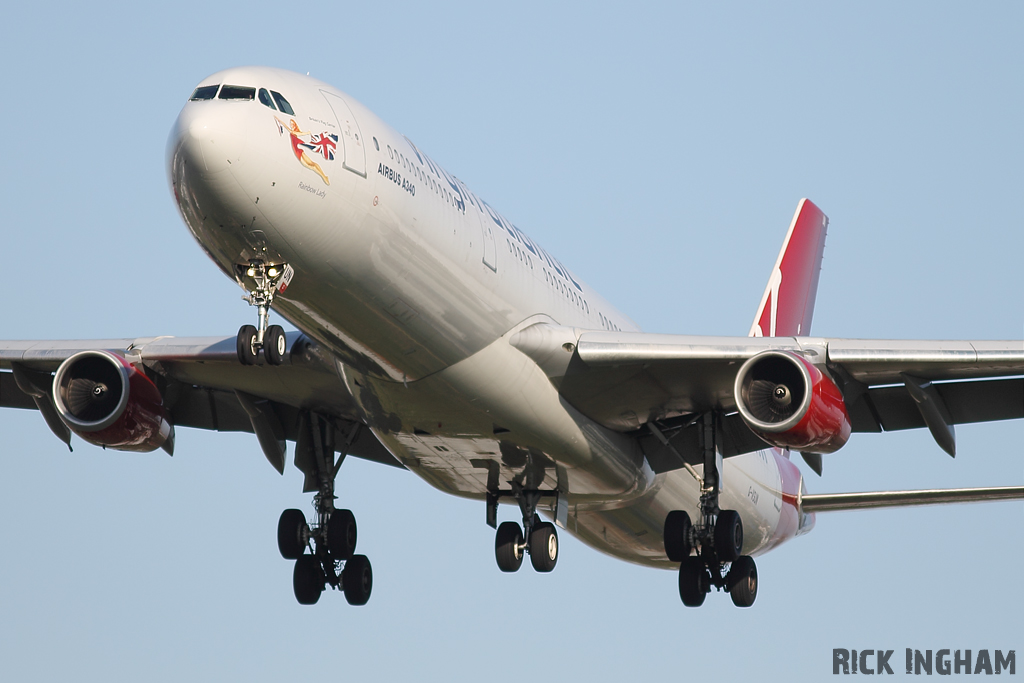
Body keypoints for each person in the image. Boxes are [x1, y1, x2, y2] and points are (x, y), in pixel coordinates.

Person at [276, 117, 330, 185]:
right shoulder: (292, 131)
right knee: (310, 165)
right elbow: (285, 126)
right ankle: (324, 176)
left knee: (311, 164)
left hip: (298, 150)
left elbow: (303, 133)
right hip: (297, 151)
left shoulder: (296, 132)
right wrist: (278, 119)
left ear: (295, 125)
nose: (291, 125)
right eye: (291, 124)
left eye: (293, 124)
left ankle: (324, 176)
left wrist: (308, 132)